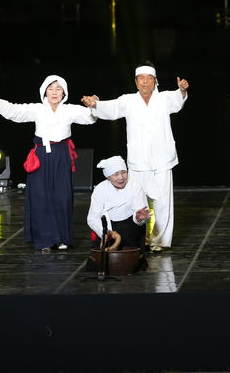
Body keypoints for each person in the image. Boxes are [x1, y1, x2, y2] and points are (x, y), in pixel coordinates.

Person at [81, 64, 189, 252]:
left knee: (163, 203)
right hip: (139, 162)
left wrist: (181, 90)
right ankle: (141, 239)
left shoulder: (163, 98)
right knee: (139, 203)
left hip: (162, 160)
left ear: (155, 81)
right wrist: (95, 104)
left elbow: (177, 101)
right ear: (136, 82)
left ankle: (159, 241)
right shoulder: (128, 100)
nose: (145, 81)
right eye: (141, 78)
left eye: (149, 78)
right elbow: (111, 108)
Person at [0, 75, 96, 251]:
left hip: (62, 155)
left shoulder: (69, 110)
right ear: (44, 91)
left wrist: (94, 105)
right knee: (41, 197)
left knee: (62, 196)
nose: (54, 92)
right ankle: (45, 239)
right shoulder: (37, 109)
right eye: (51, 88)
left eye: (58, 89)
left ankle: (62, 238)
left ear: (64, 92)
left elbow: (89, 118)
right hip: (42, 155)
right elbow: (17, 112)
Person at [87, 155, 150, 253]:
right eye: (116, 174)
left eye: (124, 172)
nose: (121, 177)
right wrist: (107, 233)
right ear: (108, 176)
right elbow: (92, 218)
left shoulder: (135, 186)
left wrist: (139, 218)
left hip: (131, 225)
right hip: (108, 227)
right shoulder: (100, 189)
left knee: (124, 232)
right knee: (98, 255)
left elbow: (142, 216)